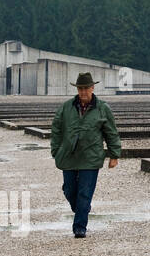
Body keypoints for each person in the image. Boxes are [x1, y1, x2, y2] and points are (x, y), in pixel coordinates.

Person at [50, 72, 121, 238]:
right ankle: (83, 208)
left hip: (91, 156)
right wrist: (56, 150)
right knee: (69, 190)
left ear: (92, 88)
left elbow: (111, 132)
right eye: (80, 88)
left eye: (86, 88)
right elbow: (56, 129)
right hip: (68, 155)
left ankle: (79, 227)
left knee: (84, 192)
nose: (83, 92)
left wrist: (114, 155)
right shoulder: (66, 107)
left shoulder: (102, 108)